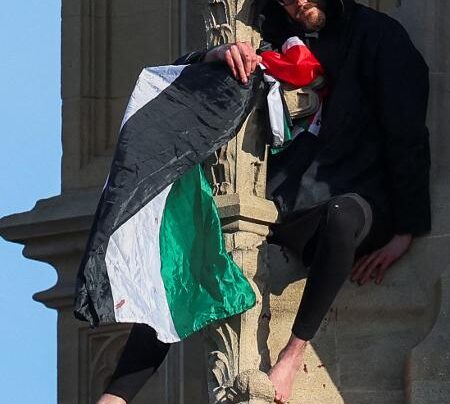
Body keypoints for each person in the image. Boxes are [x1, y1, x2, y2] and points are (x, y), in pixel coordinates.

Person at [98, 0, 430, 403]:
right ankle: (116, 396)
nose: (296, 5)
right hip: (282, 200)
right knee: (190, 252)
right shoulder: (270, 36)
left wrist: (407, 229)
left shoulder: (379, 36)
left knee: (343, 217)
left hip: (354, 195)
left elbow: (407, 135)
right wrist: (213, 55)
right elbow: (177, 83)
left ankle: (292, 356)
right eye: (286, 1)